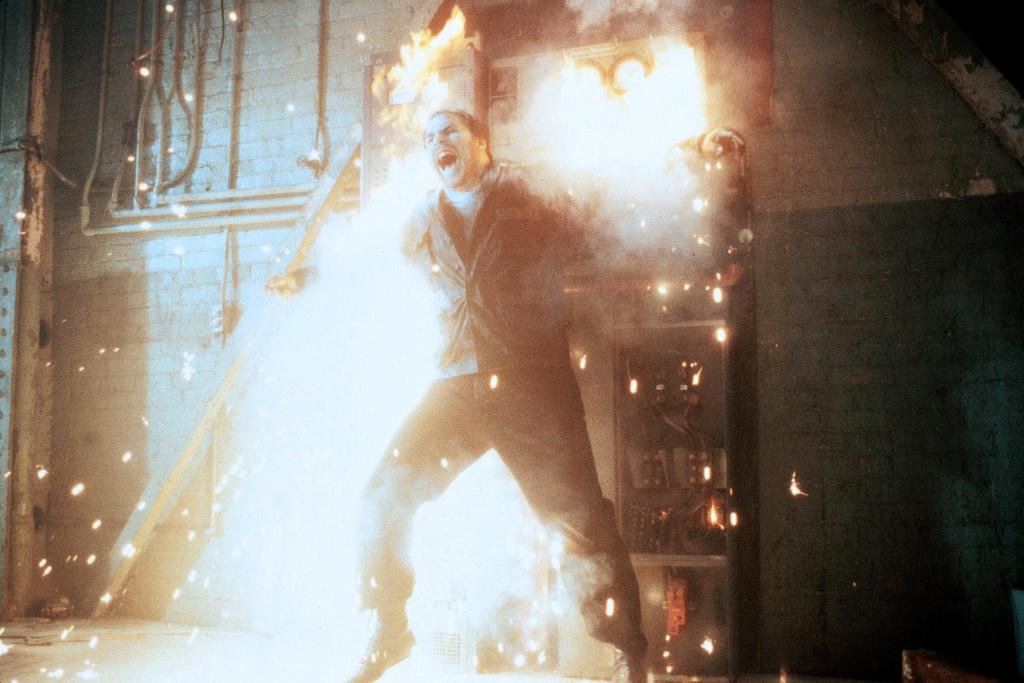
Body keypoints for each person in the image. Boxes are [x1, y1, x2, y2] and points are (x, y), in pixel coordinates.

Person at [347, 109, 647, 683]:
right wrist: (305, 279)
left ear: (480, 141)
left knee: (579, 519)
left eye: (449, 132)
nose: (437, 143)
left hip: (531, 381)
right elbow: (374, 269)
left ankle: (626, 650)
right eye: (429, 138)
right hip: (458, 383)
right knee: (382, 494)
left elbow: (601, 225)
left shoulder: (529, 191)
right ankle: (389, 628)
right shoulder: (423, 216)